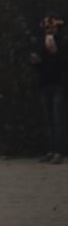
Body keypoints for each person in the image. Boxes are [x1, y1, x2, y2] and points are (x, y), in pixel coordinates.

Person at [30, 13, 68, 164]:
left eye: (51, 26)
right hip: (45, 84)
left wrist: (55, 53)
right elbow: (40, 63)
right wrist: (35, 61)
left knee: (59, 120)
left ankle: (60, 151)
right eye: (46, 27)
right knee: (49, 120)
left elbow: (64, 62)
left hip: (59, 84)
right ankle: (52, 150)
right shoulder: (42, 42)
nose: (49, 29)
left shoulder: (64, 41)